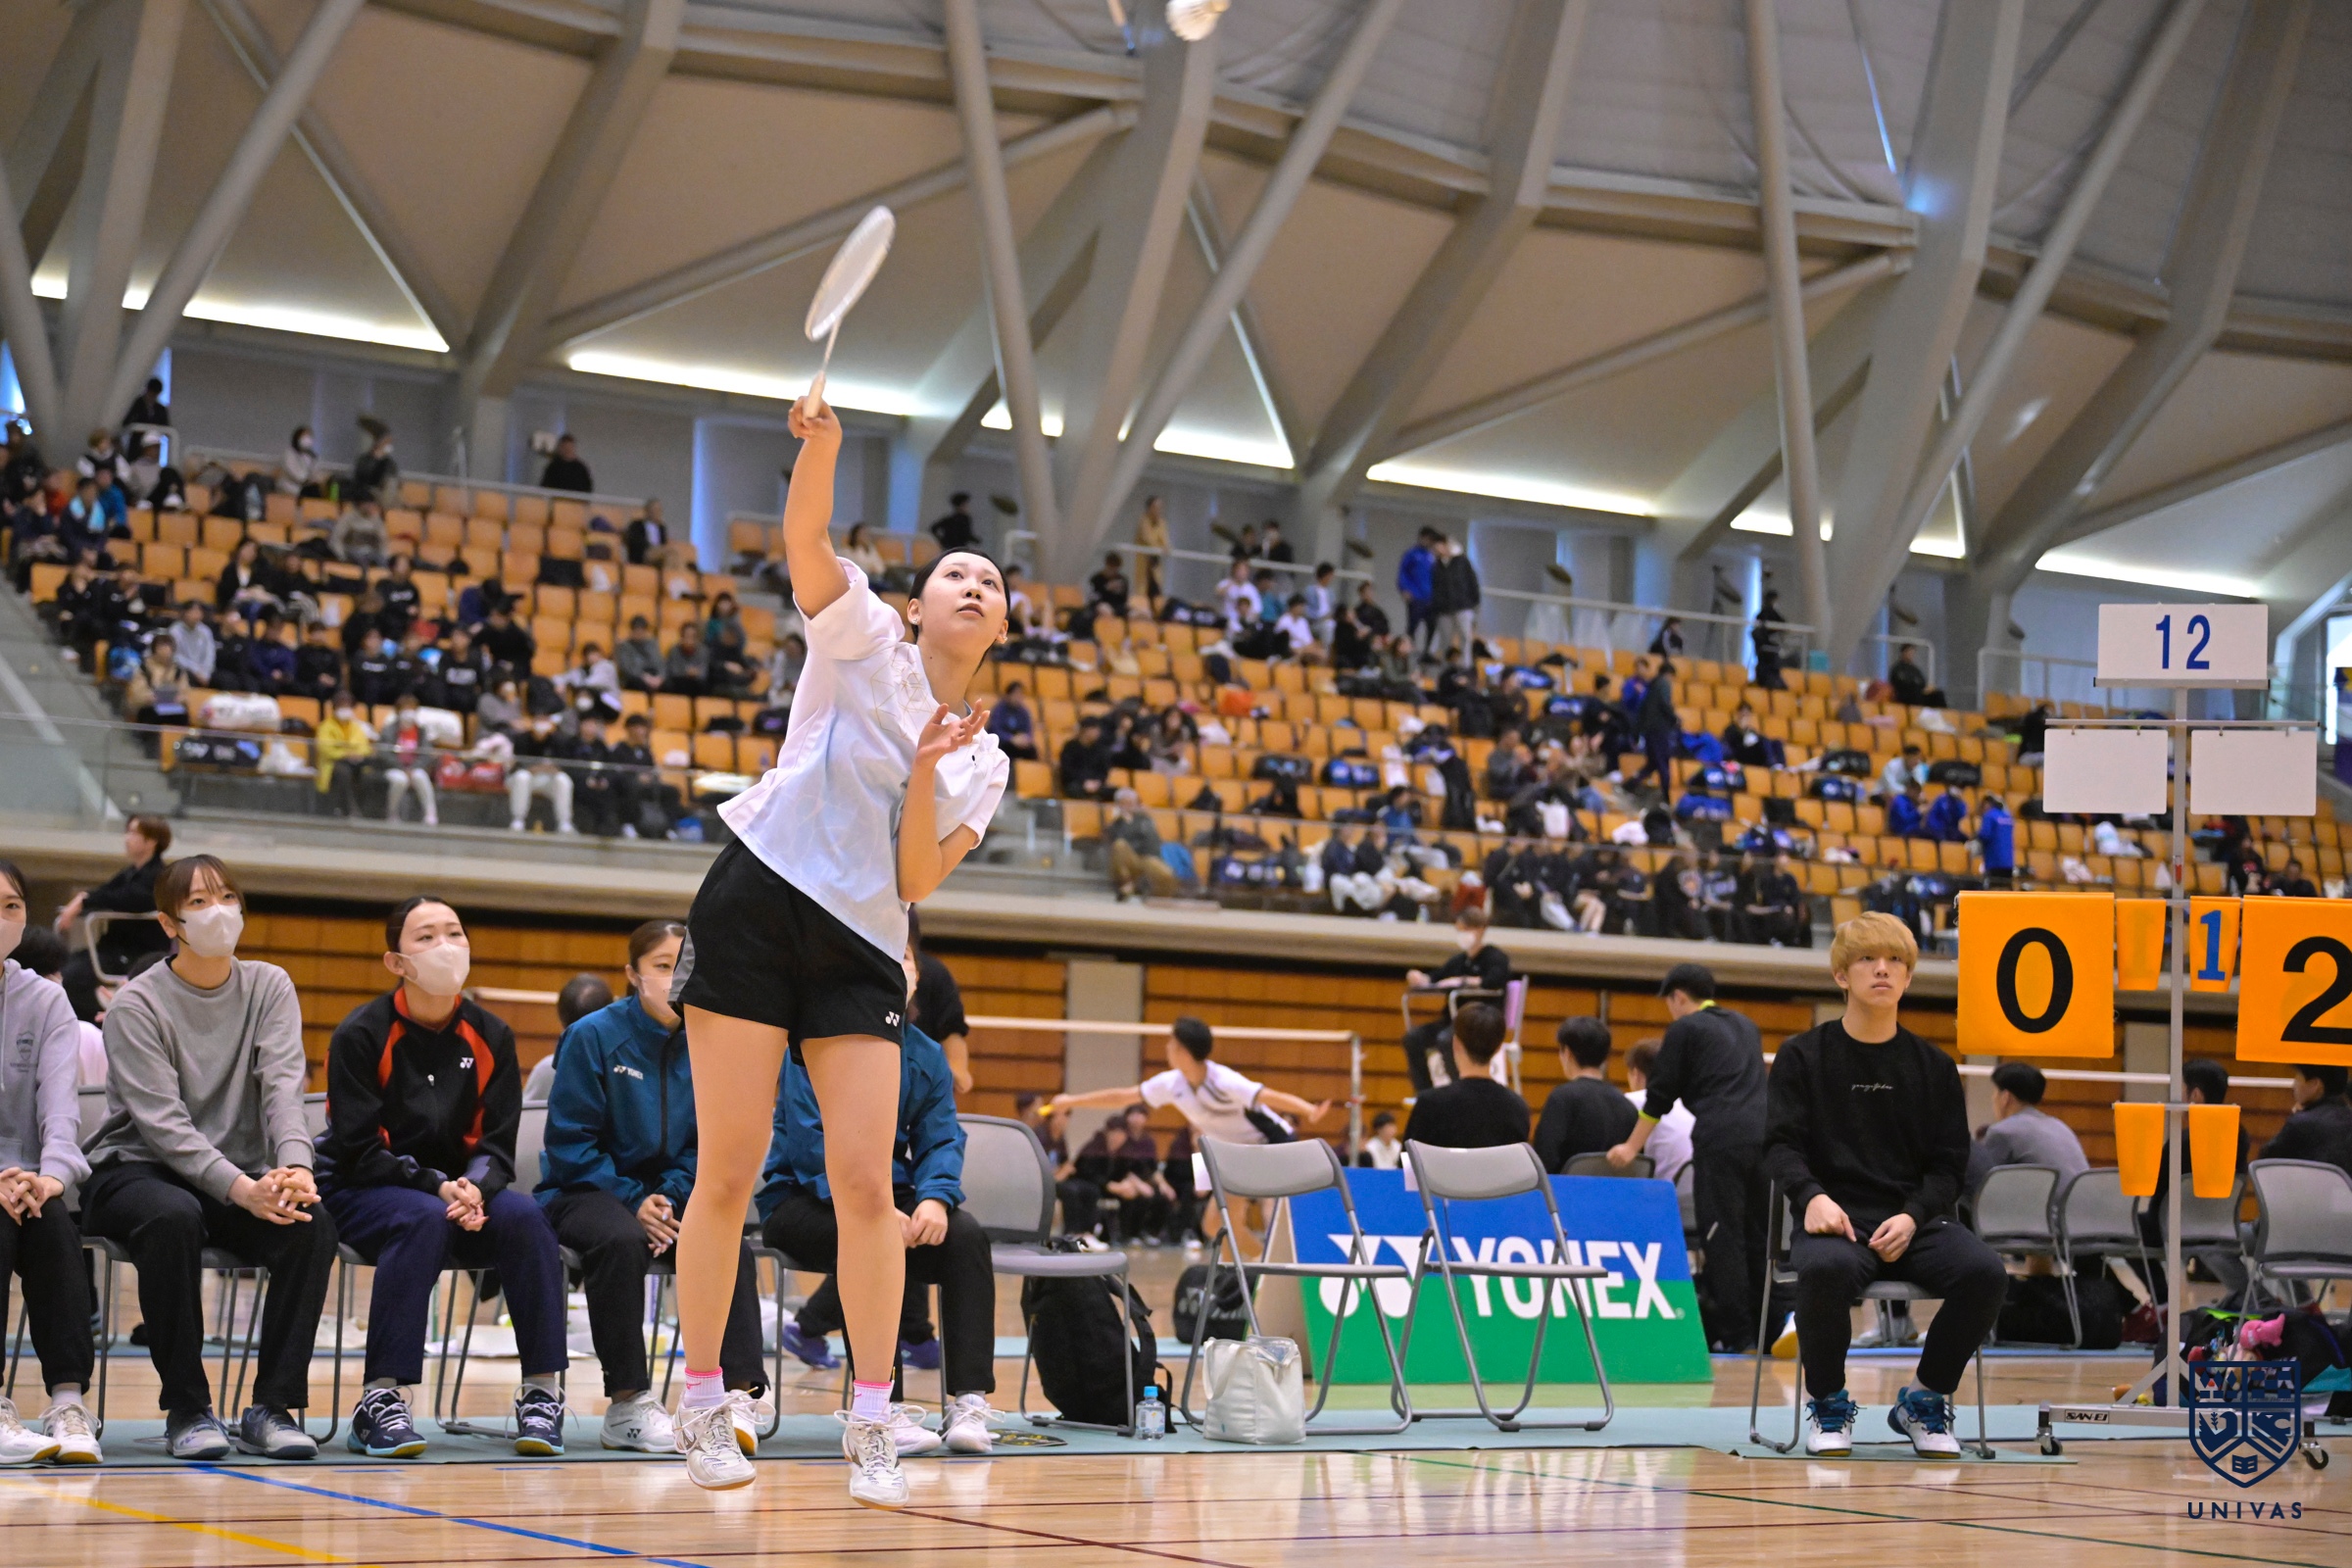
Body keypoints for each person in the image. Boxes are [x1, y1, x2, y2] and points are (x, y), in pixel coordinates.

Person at [666, 391, 1008, 1503]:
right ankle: (704, 1402)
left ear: (1000, 629)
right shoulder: (862, 635)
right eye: (956, 573)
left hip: (864, 939)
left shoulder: (983, 761)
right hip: (758, 897)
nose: (974, 585)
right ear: (919, 603)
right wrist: (820, 450)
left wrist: (926, 769)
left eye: (991, 583)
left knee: (868, 1186)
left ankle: (871, 1422)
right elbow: (807, 540)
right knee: (727, 1170)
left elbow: (914, 881)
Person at [79, 856, 335, 1460]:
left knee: (309, 1223)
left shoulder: (269, 984)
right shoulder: (137, 1005)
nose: (218, 911)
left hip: (237, 1174)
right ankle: (188, 1409)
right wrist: (242, 1190)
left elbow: (284, 1089)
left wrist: (295, 1168)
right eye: (198, 902)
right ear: (170, 924)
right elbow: (163, 1126)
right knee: (172, 1216)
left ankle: (272, 1407)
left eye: (226, 896)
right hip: (136, 1169)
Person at [317, 898, 567, 1458]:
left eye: (454, 933)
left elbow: (497, 1146)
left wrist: (475, 1187)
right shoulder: (361, 1033)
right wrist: (438, 1185)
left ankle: (542, 1393)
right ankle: (381, 1398)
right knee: (423, 1217)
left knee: (526, 1218)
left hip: (458, 1194)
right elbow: (359, 1148)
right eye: (426, 937)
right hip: (362, 1188)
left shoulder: (491, 1034)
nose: (446, 946)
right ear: (396, 962)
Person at [1761, 913, 2007, 1457]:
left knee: (1985, 1273)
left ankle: (1923, 1398)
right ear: (1841, 976)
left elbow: (1949, 1166)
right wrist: (1812, 1197)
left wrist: (1914, 1216)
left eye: (1896, 961)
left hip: (1913, 1221)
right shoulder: (1802, 1056)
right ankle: (1828, 1404)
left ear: (1909, 978)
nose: (1883, 969)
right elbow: (1780, 1146)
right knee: (1824, 1270)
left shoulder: (1935, 1067)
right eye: (1868, 959)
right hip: (1836, 1220)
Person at [538, 921, 768, 1454]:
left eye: (685, 966)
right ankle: (628, 1403)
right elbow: (571, 1141)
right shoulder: (592, 1036)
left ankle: (736, 1398)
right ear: (633, 974)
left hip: (672, 1195)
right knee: (619, 1240)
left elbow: (709, 1142)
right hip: (585, 1190)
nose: (675, 977)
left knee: (728, 1242)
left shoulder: (712, 1040)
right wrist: (632, 1199)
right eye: (663, 966)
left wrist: (668, 1196)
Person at [759, 1023, 1000, 1457]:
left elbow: (942, 1136)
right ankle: (884, 1408)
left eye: (908, 978)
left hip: (886, 1192)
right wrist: (872, 1207)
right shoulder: (813, 1041)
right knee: (870, 1238)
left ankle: (968, 1403)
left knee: (965, 1238)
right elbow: (811, 1141)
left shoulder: (925, 1053)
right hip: (802, 1195)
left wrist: (935, 1198)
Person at [1605, 962, 1768, 1351]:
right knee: (1758, 1235)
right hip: (1766, 1138)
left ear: (1678, 997)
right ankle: (1770, 1329)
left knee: (1722, 1236)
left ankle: (1739, 1337)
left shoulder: (1686, 1029)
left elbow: (1658, 1097)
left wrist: (1630, 1147)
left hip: (1721, 1140)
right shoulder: (1746, 1025)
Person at [0, 861, 102, 1463]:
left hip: (29, 1179)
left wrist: (51, 1178)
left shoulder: (45, 1000)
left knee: (53, 1224)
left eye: (11, 906)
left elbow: (61, 1112)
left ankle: (68, 1403)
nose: (1, 917)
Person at [1051, 1017, 1332, 1160]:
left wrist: (1309, 1110)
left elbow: (1269, 1096)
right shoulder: (1170, 1084)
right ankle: (1256, 1258)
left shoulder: (1223, 1080)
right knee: (1215, 1224)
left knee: (1278, 1215)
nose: (1167, 1048)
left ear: (1184, 1052)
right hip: (1235, 1153)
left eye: (1172, 1044)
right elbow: (1122, 1097)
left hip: (1273, 1144)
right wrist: (1072, 1100)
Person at [54, 814, 172, 1020]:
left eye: (134, 833)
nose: (127, 838)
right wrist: (83, 900)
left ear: (151, 841)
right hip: (111, 949)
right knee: (59, 970)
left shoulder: (159, 876)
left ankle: (111, 1014)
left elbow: (131, 899)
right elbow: (104, 892)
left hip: (135, 953)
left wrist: (83, 900)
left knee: (73, 979)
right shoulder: (129, 873)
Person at [1398, 907, 1512, 1097]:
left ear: (1480, 929)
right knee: (1413, 1038)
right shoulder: (1459, 961)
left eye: (1466, 929)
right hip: (1454, 1020)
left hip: (1481, 1021)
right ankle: (1425, 1093)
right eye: (1459, 930)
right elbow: (1435, 978)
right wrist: (1419, 977)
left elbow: (1495, 981)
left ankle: (1459, 1089)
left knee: (1447, 1039)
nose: (1462, 935)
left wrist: (1465, 981)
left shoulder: (1496, 957)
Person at [1401, 1004, 1528, 1149]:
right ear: (1499, 1048)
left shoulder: (1430, 1103)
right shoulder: (1517, 1107)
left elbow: (1408, 1160)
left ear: (1455, 1043)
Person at [1533, 1017, 1636, 1173]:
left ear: (1567, 1053)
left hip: (1565, 1188)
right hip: (1614, 1189)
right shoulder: (1627, 1105)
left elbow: (1544, 1160)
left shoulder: (1561, 1098)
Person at [1976, 1062, 2088, 1180]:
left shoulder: (2002, 1132)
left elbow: (1985, 1182)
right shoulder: (2060, 1126)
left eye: (1995, 1093)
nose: (1993, 1098)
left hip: (2047, 1193)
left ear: (2005, 1097)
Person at [905, 910, 972, 1098]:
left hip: (922, 1088)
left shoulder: (934, 974)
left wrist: (955, 1072)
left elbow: (951, 1028)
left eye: (904, 956)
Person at [2261, 1064, 2352, 1179]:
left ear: (2314, 1085)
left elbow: (2264, 1165)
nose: (2294, 1085)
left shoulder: (2301, 1123)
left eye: (2298, 1078)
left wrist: (2297, 1116)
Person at [1623, 1038, 1693, 1185]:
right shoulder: (1690, 1104)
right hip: (1696, 1192)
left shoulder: (1633, 1101)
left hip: (1662, 1192)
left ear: (1635, 1074)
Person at [1106, 788, 1180, 900]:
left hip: (1149, 857)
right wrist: (1125, 821)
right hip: (1131, 859)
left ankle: (1158, 899)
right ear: (1119, 805)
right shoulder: (1116, 824)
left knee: (1167, 875)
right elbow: (1119, 839)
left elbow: (1152, 841)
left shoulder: (1146, 819)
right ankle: (1127, 884)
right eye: (1124, 803)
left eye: (1131, 803)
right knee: (1119, 845)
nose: (1128, 806)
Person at [314, 691, 375, 818]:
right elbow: (326, 749)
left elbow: (365, 747)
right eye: (341, 706)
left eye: (348, 706)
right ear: (335, 708)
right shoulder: (325, 727)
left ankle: (366, 811)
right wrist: (345, 754)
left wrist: (356, 754)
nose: (345, 709)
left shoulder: (356, 727)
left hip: (356, 762)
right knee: (343, 773)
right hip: (333, 763)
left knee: (368, 775)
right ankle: (348, 810)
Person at [1396, 529, 1438, 654]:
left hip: (1430, 598)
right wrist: (1405, 589)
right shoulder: (1412, 554)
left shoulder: (1431, 556)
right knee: (1413, 626)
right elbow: (1403, 573)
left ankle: (1427, 652)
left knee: (1432, 625)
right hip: (1416, 597)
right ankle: (1408, 650)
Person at [987, 681, 1038, 761]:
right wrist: (1011, 738)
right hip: (1003, 742)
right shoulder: (999, 709)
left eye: (1021, 694)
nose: (1018, 697)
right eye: (1016, 694)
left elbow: (1029, 731)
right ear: (1008, 695)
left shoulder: (1024, 712)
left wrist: (1024, 739)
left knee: (1032, 751)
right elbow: (995, 729)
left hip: (1018, 743)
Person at [278, 425, 321, 496]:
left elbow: (315, 474)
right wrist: (307, 480)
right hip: (289, 488)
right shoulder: (289, 453)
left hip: (305, 489)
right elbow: (297, 475)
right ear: (297, 437)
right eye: (304, 436)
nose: (307, 439)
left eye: (309, 436)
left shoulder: (311, 456)